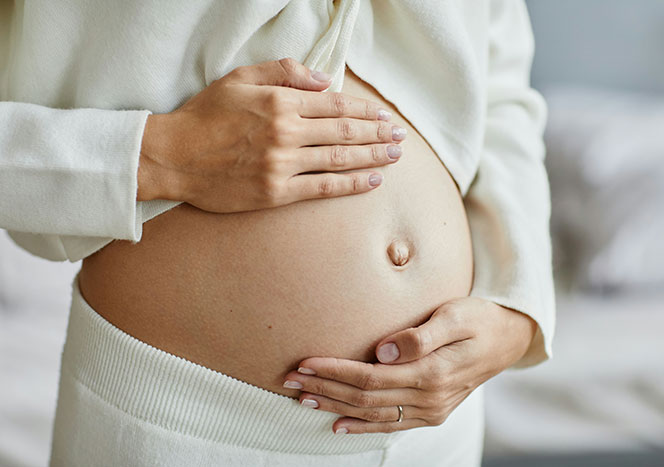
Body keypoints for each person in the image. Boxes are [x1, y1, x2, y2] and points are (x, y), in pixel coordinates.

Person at [0, 0, 555, 465]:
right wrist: (157, 159)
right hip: (184, 421)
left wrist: (518, 308)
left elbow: (500, 90)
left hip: (435, 432)